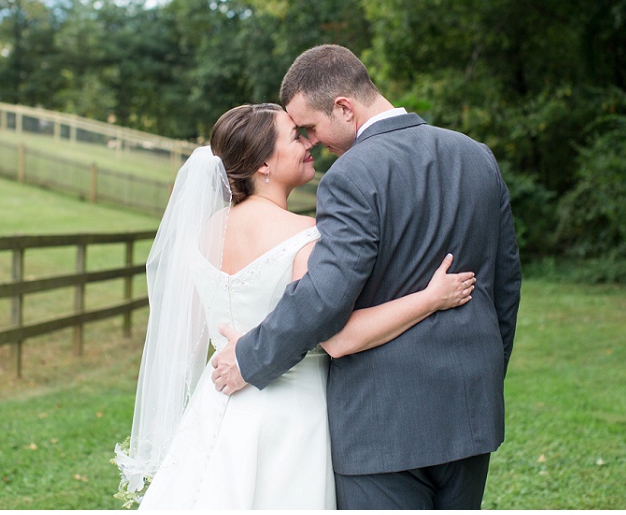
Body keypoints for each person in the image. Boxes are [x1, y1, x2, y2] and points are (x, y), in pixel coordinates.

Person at [113, 102, 478, 509]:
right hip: (291, 413)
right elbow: (340, 338)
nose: (308, 143)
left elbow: (195, 326)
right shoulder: (305, 237)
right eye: (294, 137)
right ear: (263, 166)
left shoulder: (204, 233)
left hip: (217, 402)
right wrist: (430, 299)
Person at [212, 45, 522, 509]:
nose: (312, 141)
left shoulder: (351, 175)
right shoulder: (477, 156)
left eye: (311, 128)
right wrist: (485, 372)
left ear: (344, 107)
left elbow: (324, 297)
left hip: (381, 422)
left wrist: (250, 357)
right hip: (470, 409)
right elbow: (505, 288)